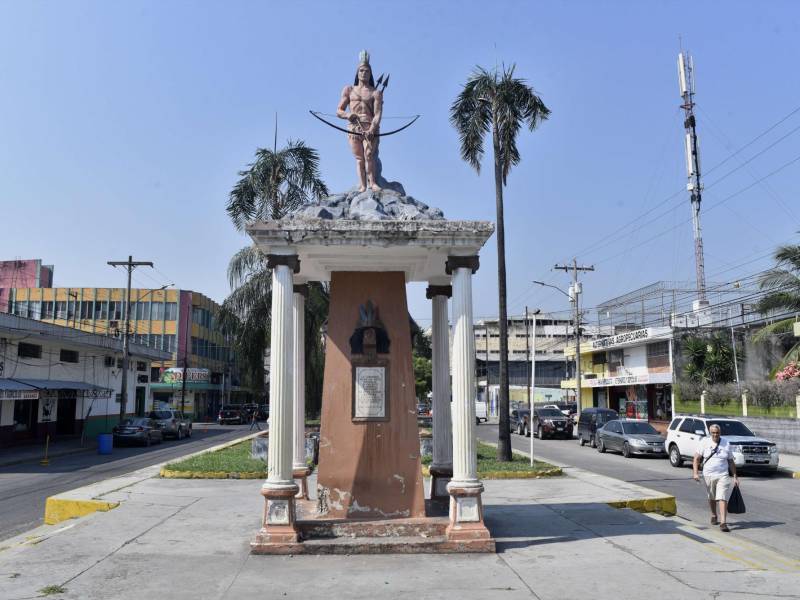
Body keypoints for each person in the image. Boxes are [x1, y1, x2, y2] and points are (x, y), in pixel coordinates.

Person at [337, 50, 383, 193]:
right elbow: (339, 110)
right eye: (361, 71)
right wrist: (347, 115)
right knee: (359, 158)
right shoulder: (349, 90)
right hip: (354, 128)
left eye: (367, 71)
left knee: (369, 154)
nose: (364, 73)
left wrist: (372, 129)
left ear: (370, 74)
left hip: (370, 127)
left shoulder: (376, 92)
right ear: (357, 73)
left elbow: (377, 114)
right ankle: (363, 185)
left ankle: (373, 183)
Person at [693, 423, 739, 532]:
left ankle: (723, 522)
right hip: (708, 474)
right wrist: (695, 473)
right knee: (712, 497)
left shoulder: (726, 443)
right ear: (710, 433)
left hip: (723, 475)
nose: (715, 435)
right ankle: (714, 514)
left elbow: (731, 461)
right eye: (713, 433)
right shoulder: (704, 442)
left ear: (720, 433)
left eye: (717, 433)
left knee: (721, 497)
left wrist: (735, 476)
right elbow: (696, 459)